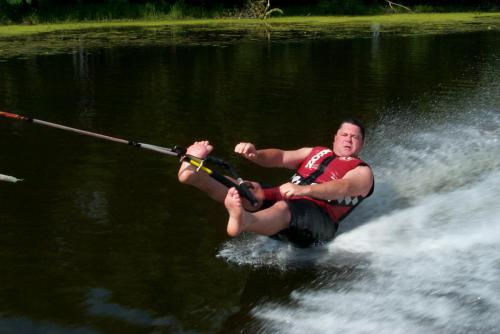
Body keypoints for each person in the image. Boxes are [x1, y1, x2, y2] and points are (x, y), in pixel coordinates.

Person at [178, 118, 374, 247]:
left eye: (355, 137)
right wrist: (255, 154)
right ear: (335, 138)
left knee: (283, 207)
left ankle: (245, 220)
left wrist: (304, 190)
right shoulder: (315, 152)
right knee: (250, 189)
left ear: (362, 144)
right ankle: (195, 175)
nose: (348, 139)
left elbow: (344, 188)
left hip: (319, 223)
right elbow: (280, 156)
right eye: (344, 135)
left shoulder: (362, 171)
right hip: (291, 200)